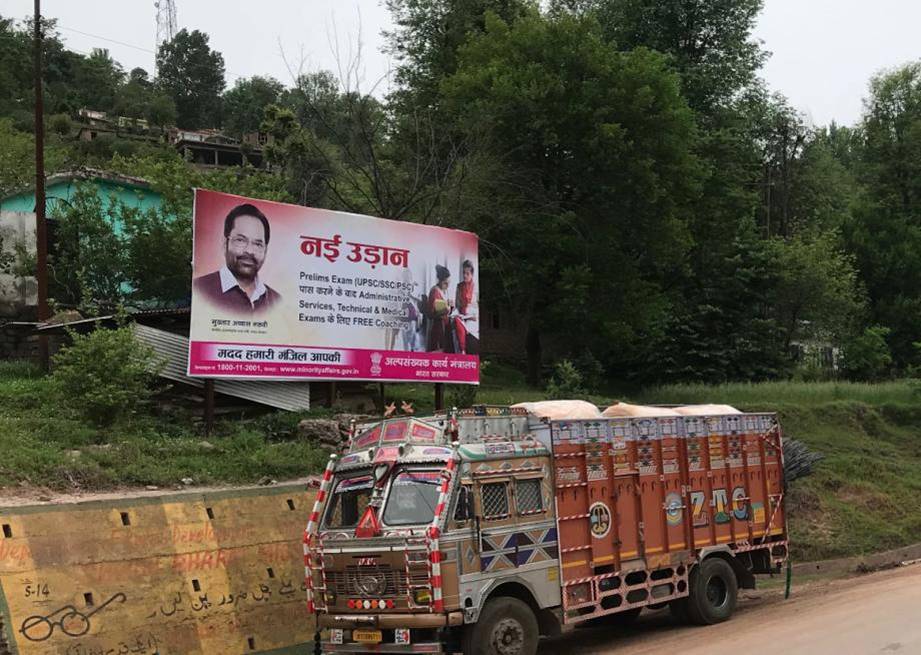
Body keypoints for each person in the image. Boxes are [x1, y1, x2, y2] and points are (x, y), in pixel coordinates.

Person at [193, 203, 282, 315]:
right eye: (240, 240)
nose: (249, 251)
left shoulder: (277, 301)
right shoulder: (200, 289)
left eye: (258, 244)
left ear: (265, 250)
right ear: (225, 243)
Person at [453, 260, 479, 354]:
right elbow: (457, 305)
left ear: (472, 274)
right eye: (463, 273)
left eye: (467, 273)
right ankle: (462, 350)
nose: (465, 275)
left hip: (473, 319)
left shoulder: (476, 287)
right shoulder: (459, 286)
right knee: (456, 321)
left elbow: (477, 307)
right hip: (462, 316)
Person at [426, 265, 453, 352]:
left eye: (449, 283)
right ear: (439, 280)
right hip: (438, 328)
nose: (447, 286)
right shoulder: (435, 291)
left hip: (445, 328)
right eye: (445, 283)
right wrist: (446, 309)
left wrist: (450, 306)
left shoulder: (444, 291)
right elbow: (431, 313)